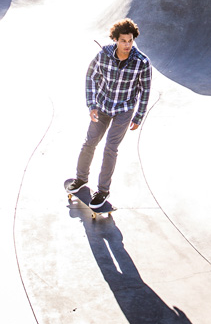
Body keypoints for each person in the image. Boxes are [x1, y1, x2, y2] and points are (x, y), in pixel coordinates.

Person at [65, 18, 153, 209]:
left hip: (124, 110)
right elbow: (90, 76)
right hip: (103, 105)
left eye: (130, 40)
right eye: (123, 41)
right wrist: (92, 104)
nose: (127, 45)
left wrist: (138, 116)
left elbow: (145, 90)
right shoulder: (103, 55)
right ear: (115, 40)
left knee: (110, 148)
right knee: (90, 142)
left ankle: (103, 190)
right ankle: (81, 178)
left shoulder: (142, 62)